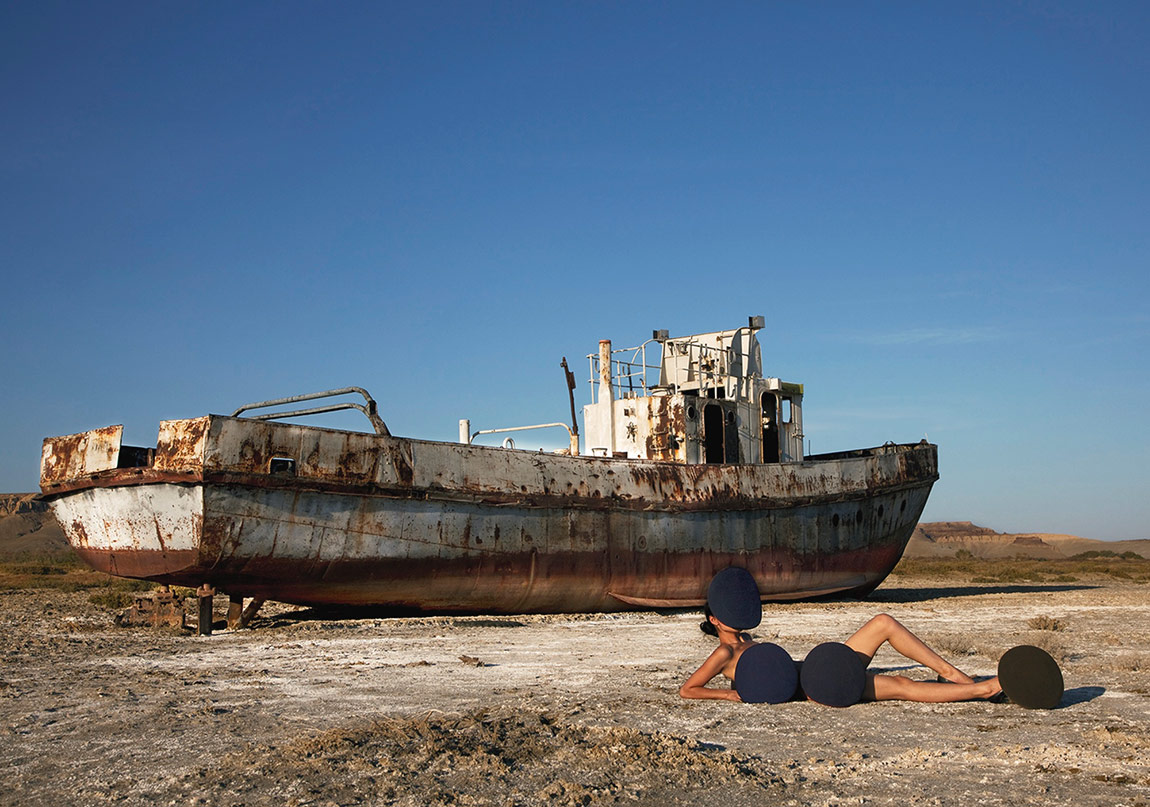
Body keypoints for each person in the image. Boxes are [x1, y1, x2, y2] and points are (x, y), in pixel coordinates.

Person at [680, 605, 1004, 703]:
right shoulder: (723, 652)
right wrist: (731, 696)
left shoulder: (747, 639)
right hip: (814, 688)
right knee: (901, 685)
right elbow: (688, 690)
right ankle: (982, 688)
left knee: (883, 623)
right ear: (714, 620)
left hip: (817, 667)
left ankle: (955, 676)